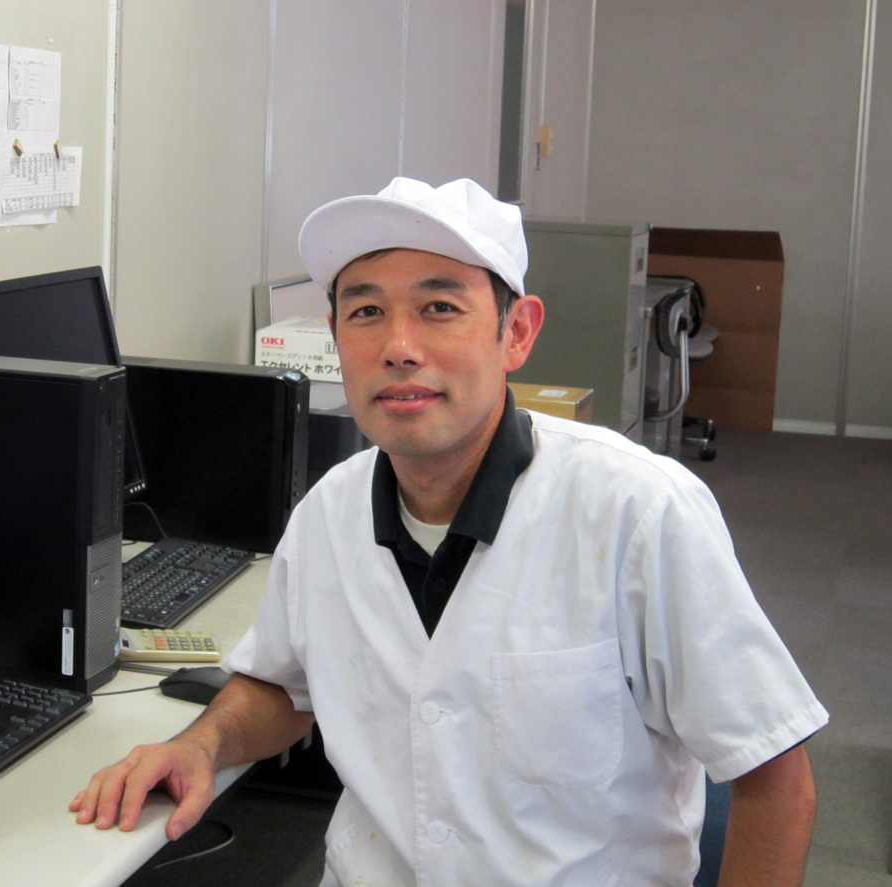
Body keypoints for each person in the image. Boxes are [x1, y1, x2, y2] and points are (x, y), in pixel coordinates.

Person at [71, 177, 828, 886]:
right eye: (366, 312)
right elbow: (280, 683)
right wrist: (202, 744)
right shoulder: (328, 513)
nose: (399, 345)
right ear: (335, 335)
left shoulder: (638, 512)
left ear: (516, 333)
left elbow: (774, 780)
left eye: (439, 307)